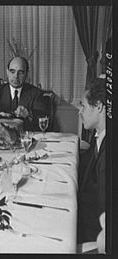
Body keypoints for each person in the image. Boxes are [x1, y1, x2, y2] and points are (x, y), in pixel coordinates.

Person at [0, 56, 50, 131]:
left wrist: (28, 114)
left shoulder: (36, 93)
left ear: (27, 74)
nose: (16, 76)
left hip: (25, 139)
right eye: (12, 71)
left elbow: (43, 117)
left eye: (20, 72)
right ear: (7, 72)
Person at [77, 78, 106, 244]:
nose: (80, 112)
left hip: (91, 233)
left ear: (99, 107)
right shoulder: (100, 135)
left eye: (83, 105)